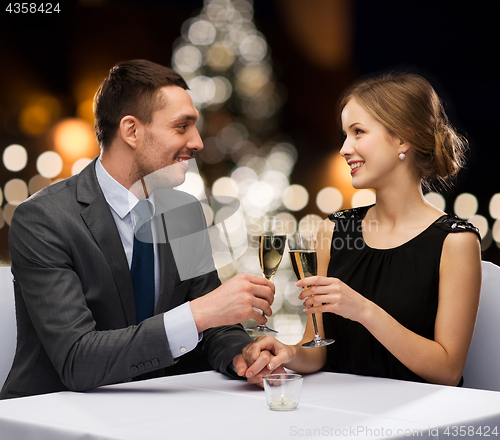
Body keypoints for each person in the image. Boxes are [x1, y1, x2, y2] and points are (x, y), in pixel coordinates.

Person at [1, 59, 274, 399]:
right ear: (131, 131)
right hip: (50, 416)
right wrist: (197, 314)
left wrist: (241, 355)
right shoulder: (44, 218)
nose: (198, 142)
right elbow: (77, 360)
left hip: (156, 411)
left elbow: (215, 326)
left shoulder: (184, 213)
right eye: (182, 126)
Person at [239, 72, 482, 387]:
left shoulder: (455, 241)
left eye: (358, 132)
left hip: (419, 422)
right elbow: (317, 350)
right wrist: (286, 352)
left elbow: (447, 370)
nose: (344, 148)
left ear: (403, 138)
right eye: (344, 134)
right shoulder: (334, 231)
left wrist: (363, 310)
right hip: (339, 412)